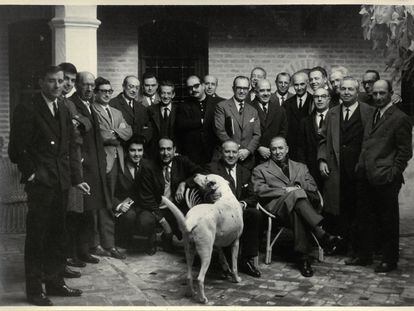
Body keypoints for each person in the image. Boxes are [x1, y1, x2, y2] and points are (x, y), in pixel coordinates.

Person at [8, 65, 89, 306]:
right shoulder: (27, 107)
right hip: (42, 183)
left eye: (60, 81)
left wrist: (77, 178)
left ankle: (55, 282)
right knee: (37, 236)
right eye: (51, 81)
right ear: (41, 82)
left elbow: (69, 148)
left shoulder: (63, 107)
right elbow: (17, 149)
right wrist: (31, 173)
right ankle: (35, 290)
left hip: (61, 181)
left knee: (58, 234)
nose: (57, 85)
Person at [347, 80, 412, 272]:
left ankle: (389, 260)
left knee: (388, 221)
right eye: (375, 94)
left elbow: (405, 152)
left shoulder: (400, 118)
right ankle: (365, 256)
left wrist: (392, 173)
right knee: (364, 218)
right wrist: (361, 167)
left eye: (382, 93)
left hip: (385, 178)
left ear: (391, 93)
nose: (377, 97)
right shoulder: (374, 113)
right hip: (366, 175)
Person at [252, 137, 341, 277]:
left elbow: (312, 187)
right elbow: (259, 190)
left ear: (287, 149)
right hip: (277, 209)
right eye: (274, 149)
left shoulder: (301, 167)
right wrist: (285, 190)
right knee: (295, 195)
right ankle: (321, 233)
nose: (277, 152)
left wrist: (298, 188)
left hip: (298, 209)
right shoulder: (260, 169)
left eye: (280, 148)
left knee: (296, 209)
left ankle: (303, 258)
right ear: (270, 151)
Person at [318, 77, 375, 256]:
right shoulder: (332, 113)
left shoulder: (369, 112)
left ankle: (358, 249)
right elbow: (322, 139)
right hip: (337, 169)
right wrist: (322, 159)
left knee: (359, 208)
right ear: (339, 91)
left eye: (350, 89)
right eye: (343, 89)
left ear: (357, 92)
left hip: (360, 168)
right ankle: (340, 245)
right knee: (339, 208)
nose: (347, 92)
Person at [68, 72, 112, 265]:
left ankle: (84, 250)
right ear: (77, 85)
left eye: (91, 85)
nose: (88, 88)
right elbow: (74, 139)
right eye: (85, 85)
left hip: (94, 167)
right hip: (82, 167)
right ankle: (72, 254)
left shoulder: (89, 105)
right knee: (78, 213)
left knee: (89, 211)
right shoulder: (71, 104)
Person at [206, 140, 262, 278]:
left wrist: (242, 204)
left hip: (239, 211)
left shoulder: (245, 172)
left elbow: (253, 196)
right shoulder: (212, 169)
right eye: (227, 152)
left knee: (255, 214)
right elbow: (201, 188)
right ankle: (225, 261)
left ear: (238, 154)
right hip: (220, 212)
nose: (231, 155)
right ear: (221, 153)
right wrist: (209, 196)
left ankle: (246, 260)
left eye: (234, 152)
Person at [137, 138, 203, 254]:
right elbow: (147, 198)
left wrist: (184, 183)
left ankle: (167, 237)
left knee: (191, 221)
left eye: (169, 149)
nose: (166, 153)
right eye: (162, 149)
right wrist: (164, 223)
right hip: (154, 207)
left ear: (174, 150)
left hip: (173, 207)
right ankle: (151, 237)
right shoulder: (148, 167)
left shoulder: (182, 161)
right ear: (158, 151)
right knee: (145, 221)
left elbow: (200, 173)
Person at [92, 76, 132, 260]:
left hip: (118, 161)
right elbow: (100, 135)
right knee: (105, 202)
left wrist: (114, 132)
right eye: (103, 91)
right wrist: (117, 133)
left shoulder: (116, 112)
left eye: (109, 91)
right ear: (96, 92)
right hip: (103, 162)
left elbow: (128, 131)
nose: (107, 94)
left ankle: (106, 243)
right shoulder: (92, 110)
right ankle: (105, 244)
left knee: (111, 201)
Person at [58, 63, 92, 278]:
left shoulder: (68, 104)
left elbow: (85, 125)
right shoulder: (61, 103)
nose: (68, 84)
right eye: (65, 80)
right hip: (61, 165)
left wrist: (77, 122)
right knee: (64, 214)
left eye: (71, 80)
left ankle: (68, 256)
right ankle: (63, 258)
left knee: (73, 211)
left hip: (73, 161)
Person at [176, 75, 223, 165]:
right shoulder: (183, 106)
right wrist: (201, 122)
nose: (193, 90)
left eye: (196, 86)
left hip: (214, 154)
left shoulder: (218, 103)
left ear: (203, 85)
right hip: (193, 156)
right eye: (190, 88)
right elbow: (181, 125)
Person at [112, 135, 149, 249]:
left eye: (140, 150)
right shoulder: (117, 166)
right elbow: (108, 191)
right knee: (129, 216)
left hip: (143, 205)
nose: (137, 154)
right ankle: (123, 241)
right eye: (133, 150)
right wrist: (118, 205)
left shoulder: (148, 165)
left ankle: (149, 243)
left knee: (147, 219)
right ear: (126, 152)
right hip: (125, 207)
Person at [297, 87, 330, 190]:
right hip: (311, 169)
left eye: (323, 96)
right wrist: (304, 169)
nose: (319, 99)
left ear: (328, 99)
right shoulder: (305, 121)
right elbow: (300, 147)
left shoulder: (335, 118)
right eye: (316, 97)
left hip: (330, 168)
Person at [250, 79, 288, 163]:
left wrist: (274, 148)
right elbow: (245, 133)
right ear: (256, 92)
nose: (266, 94)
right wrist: (258, 147)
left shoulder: (279, 109)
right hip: (254, 158)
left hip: (275, 156)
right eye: (262, 91)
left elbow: (283, 131)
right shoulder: (248, 109)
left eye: (268, 90)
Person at [109, 75, 152, 140]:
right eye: (131, 87)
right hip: (121, 146)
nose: (134, 90)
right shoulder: (112, 104)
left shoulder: (142, 108)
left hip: (138, 147)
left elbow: (148, 128)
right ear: (123, 86)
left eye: (137, 88)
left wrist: (143, 140)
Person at [283, 71, 313, 161]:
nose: (299, 88)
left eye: (302, 84)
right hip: (292, 150)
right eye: (296, 85)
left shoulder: (314, 101)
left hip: (310, 149)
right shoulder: (287, 104)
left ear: (307, 83)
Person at [146, 80, 178, 158]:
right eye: (163, 93)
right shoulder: (150, 110)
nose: (166, 96)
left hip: (174, 153)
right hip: (155, 153)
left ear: (173, 95)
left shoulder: (179, 110)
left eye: (169, 93)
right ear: (159, 94)